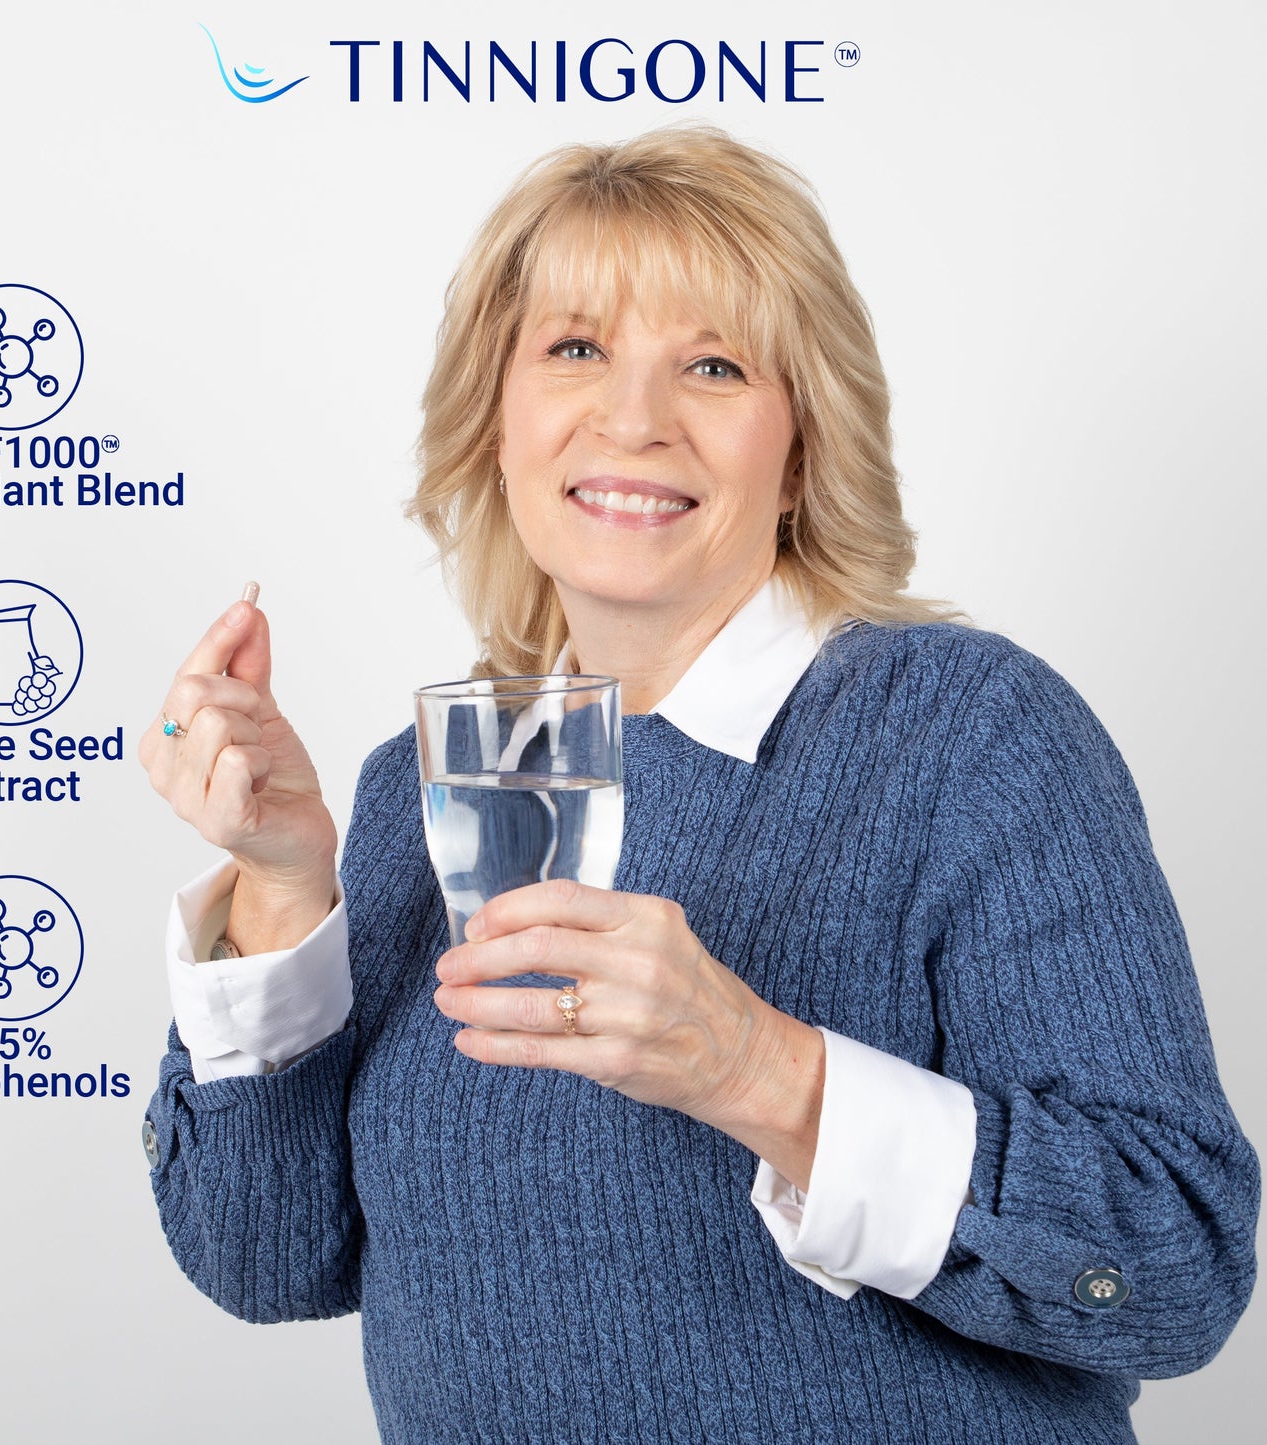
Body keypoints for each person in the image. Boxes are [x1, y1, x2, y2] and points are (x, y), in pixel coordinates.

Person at [139, 128, 1258, 1443]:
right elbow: (269, 1262)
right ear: (494, 420)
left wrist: (759, 1072)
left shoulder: (969, 736)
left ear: (799, 445)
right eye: (573, 349)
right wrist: (280, 886)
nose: (631, 418)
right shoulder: (427, 785)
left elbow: (1173, 1267)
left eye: (712, 365)